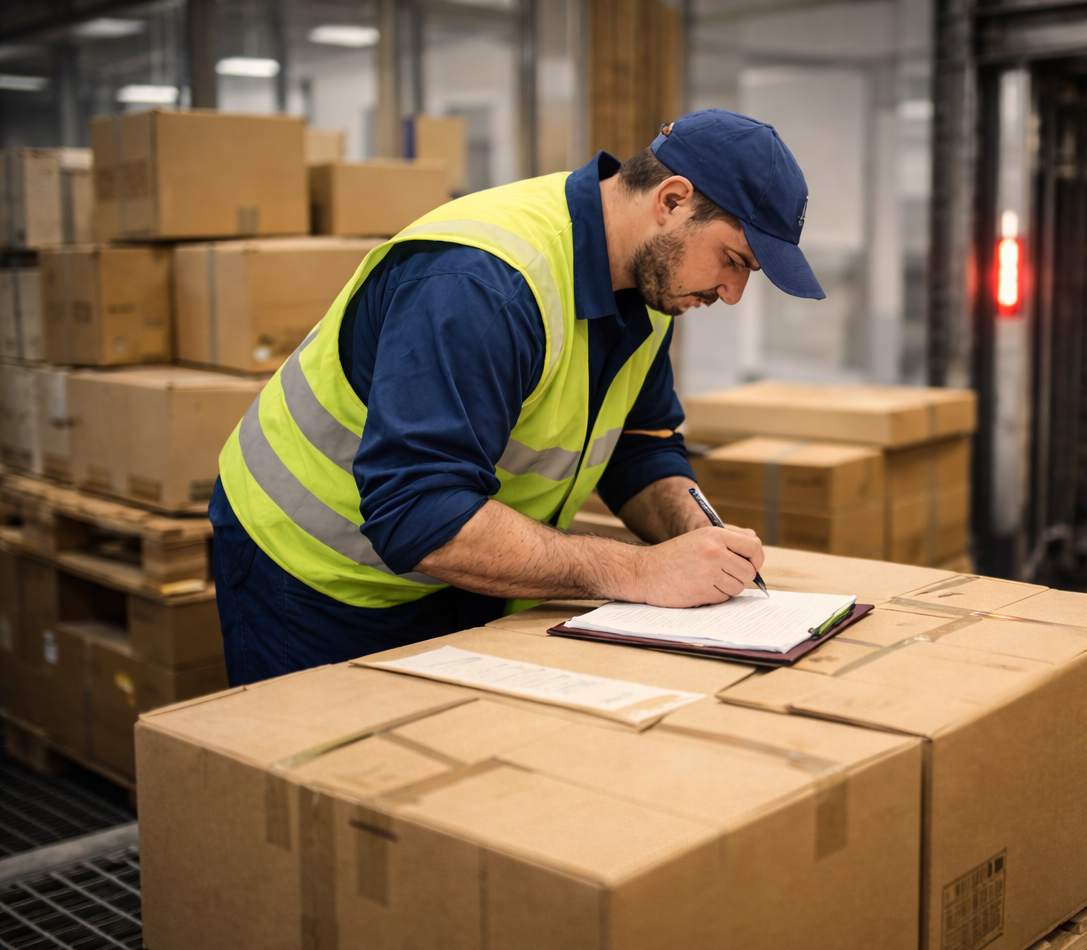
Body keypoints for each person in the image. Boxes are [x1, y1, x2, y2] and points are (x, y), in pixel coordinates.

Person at [208, 109, 823, 685]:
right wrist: (641, 570)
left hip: (462, 571)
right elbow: (418, 514)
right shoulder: (482, 283)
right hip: (311, 573)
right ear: (671, 200)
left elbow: (640, 447)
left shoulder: (654, 288)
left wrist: (696, 532)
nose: (733, 292)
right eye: (735, 260)